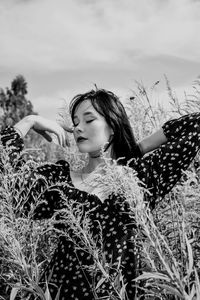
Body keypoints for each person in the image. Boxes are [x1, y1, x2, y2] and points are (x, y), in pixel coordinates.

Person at [1, 89, 200, 299]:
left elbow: (195, 125)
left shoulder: (139, 177)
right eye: (75, 122)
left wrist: (136, 149)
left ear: (113, 125)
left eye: (89, 120)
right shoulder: (58, 181)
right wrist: (28, 122)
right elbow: (8, 186)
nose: (78, 128)